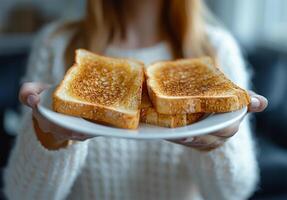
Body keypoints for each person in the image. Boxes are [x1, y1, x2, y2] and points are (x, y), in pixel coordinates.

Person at [4, 0, 268, 199]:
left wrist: (213, 147)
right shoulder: (55, 44)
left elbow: (235, 192)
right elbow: (22, 194)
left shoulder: (218, 47)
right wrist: (51, 137)